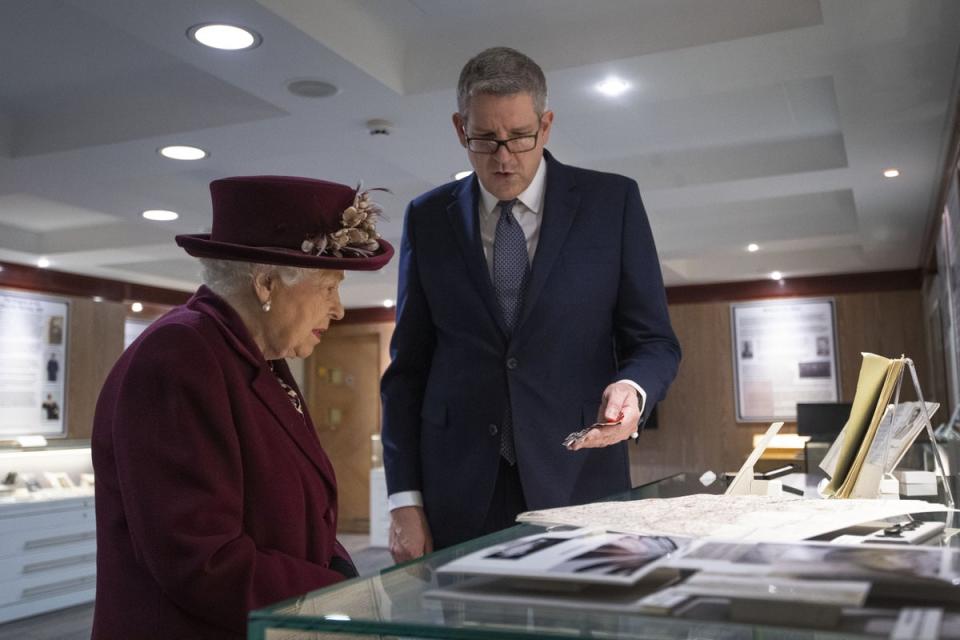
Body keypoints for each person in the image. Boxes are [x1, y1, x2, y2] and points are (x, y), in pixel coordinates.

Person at [381, 47, 681, 561]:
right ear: (459, 129)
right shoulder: (427, 218)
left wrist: (633, 388)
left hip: (579, 479)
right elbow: (408, 370)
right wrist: (403, 500)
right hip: (457, 488)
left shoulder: (612, 204)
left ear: (546, 125)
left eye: (519, 137)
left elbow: (653, 341)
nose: (503, 158)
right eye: (484, 139)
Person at [91, 176, 393, 639]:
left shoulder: (251, 354)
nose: (337, 311)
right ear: (267, 283)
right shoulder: (179, 355)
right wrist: (337, 593)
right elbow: (200, 559)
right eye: (330, 287)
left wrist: (339, 570)